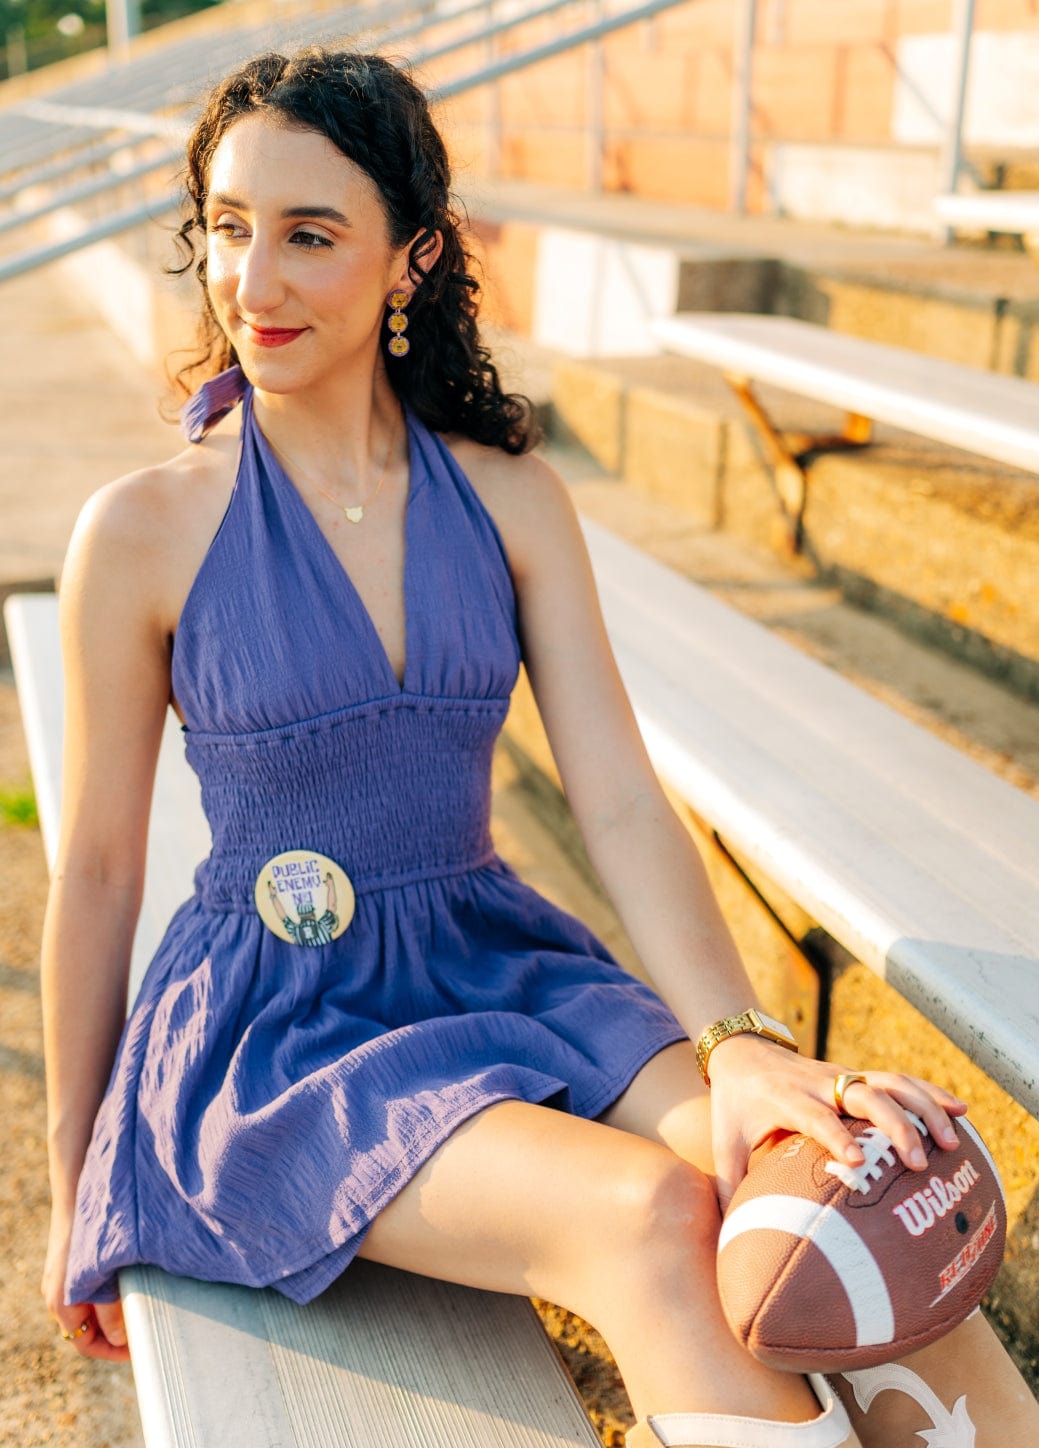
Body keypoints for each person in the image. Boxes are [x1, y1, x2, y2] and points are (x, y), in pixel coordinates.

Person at [39, 47, 1037, 1448]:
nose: (250, 281)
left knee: (827, 1174)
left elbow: (621, 801)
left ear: (413, 259)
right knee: (644, 1218)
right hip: (278, 1034)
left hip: (493, 956)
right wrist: (76, 1163)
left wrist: (742, 1046)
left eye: (309, 235)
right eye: (226, 225)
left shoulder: (509, 500)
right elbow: (91, 870)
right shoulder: (142, 530)